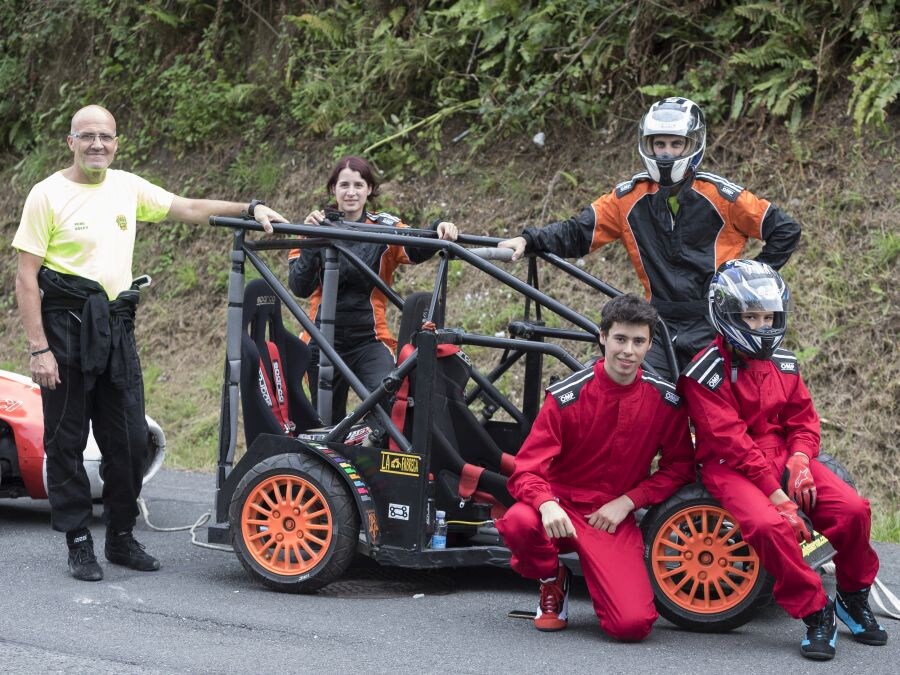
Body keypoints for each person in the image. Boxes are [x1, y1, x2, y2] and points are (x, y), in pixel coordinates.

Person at [12, 104, 288, 582]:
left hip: (116, 326)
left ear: (117, 143)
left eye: (106, 136)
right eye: (88, 136)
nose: (98, 144)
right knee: (67, 440)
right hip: (64, 327)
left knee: (129, 439)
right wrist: (39, 348)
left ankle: (120, 536)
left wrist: (247, 208)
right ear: (70, 141)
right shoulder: (47, 194)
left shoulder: (127, 186)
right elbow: (25, 276)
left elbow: (188, 208)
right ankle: (79, 540)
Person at [498, 96, 801, 380]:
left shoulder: (722, 196)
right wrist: (528, 240)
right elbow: (578, 231)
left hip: (716, 321)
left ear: (692, 145)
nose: (666, 152)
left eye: (675, 144)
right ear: (648, 146)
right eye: (659, 144)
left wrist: (746, 288)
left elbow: (784, 230)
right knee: (640, 396)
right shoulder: (627, 197)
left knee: (715, 406)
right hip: (658, 322)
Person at [681, 259, 886, 660]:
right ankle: (815, 612)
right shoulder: (703, 373)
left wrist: (801, 458)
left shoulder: (784, 363)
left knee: (854, 509)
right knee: (769, 525)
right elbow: (732, 442)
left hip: (781, 457)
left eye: (767, 316)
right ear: (726, 315)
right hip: (730, 466)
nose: (761, 325)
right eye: (751, 317)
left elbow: (804, 421)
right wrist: (778, 497)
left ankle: (853, 596)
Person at [494, 293, 694, 641]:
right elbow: (526, 470)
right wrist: (546, 503)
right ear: (603, 337)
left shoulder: (665, 402)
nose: (627, 351)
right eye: (619, 339)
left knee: (632, 626)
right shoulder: (566, 396)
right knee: (518, 522)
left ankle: (599, 575)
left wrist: (630, 500)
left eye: (638, 341)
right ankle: (550, 578)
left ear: (649, 345)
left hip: (611, 516)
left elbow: (679, 468)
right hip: (560, 506)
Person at [287, 155, 458, 421]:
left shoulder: (384, 227)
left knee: (387, 406)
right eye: (344, 185)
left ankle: (369, 451)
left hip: (370, 339)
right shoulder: (313, 226)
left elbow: (416, 246)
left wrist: (438, 228)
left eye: (358, 185)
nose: (351, 192)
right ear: (334, 189)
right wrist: (312, 238)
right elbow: (299, 285)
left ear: (369, 189)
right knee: (325, 422)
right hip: (320, 338)